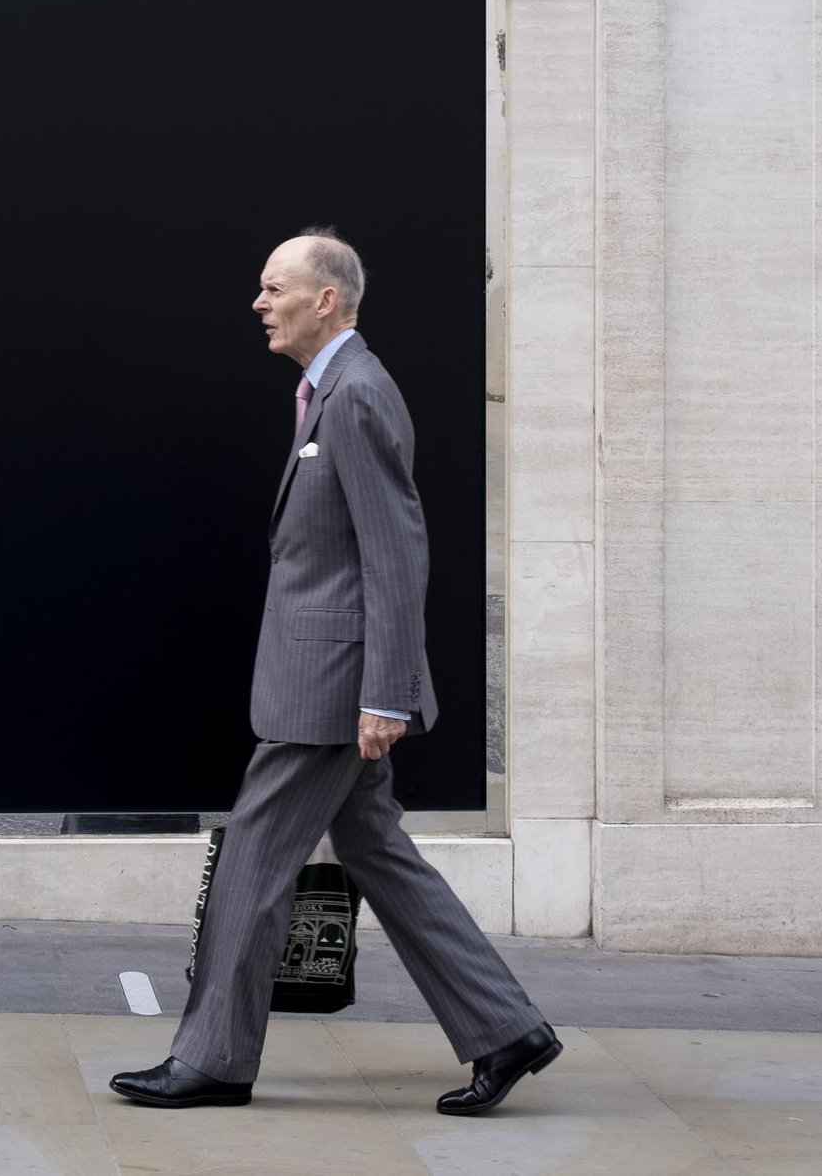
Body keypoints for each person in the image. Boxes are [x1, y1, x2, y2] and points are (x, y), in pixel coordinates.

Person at [111, 230, 557, 1114]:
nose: (259, 301)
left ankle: (213, 1058)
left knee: (249, 862)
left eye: (274, 286)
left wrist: (385, 691)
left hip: (330, 690)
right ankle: (507, 1029)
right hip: (326, 677)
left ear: (327, 299)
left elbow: (396, 551)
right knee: (377, 851)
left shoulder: (355, 395)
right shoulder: (328, 390)